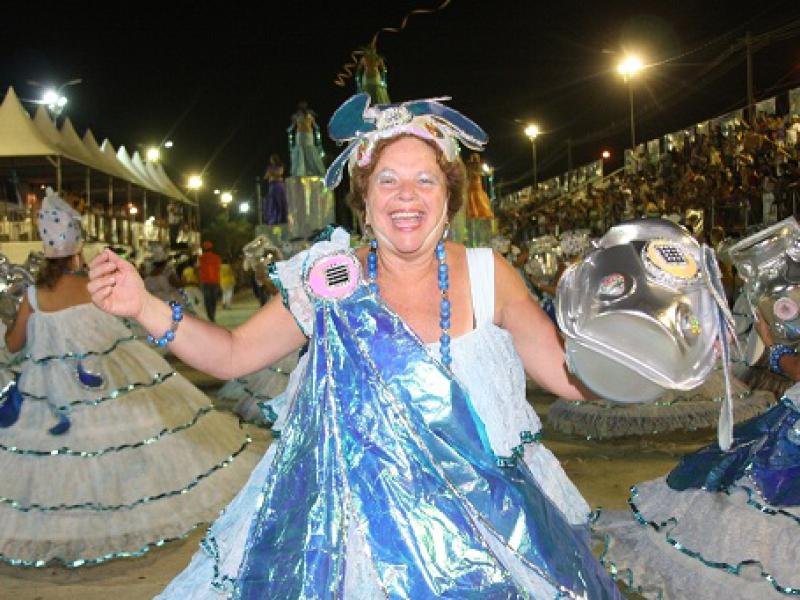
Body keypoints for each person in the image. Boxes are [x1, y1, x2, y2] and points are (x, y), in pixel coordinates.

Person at [89, 94, 621, 598]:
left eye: (425, 180)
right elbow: (232, 354)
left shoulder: (489, 275)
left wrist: (639, 355)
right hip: (353, 547)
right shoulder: (329, 280)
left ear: (448, 198)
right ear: (364, 202)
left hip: (491, 539)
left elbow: (567, 375)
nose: (406, 195)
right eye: (388, 180)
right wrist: (143, 306)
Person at [0, 188, 258, 568]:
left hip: (49, 398)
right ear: (77, 250)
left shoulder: (34, 296)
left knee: (58, 464)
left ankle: (67, 529)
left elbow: (13, 344)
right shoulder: (93, 287)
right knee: (120, 453)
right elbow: (116, 332)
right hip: (102, 387)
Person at [287, 100, 326, 177]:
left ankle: (312, 170)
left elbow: (314, 124)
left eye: (304, 104)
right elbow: (293, 124)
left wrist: (317, 128)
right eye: (302, 105)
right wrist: (289, 129)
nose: (303, 106)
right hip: (300, 135)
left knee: (310, 150)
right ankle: (300, 172)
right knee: (300, 151)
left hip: (309, 134)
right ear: (299, 106)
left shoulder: (310, 114)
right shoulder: (296, 115)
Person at [466, 152, 495, 219]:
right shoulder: (477, 166)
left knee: (474, 196)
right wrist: (490, 171)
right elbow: (485, 173)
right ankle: (477, 213)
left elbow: (471, 174)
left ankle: (475, 213)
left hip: (473, 183)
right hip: (475, 183)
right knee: (477, 196)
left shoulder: (470, 166)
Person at [198, 240, 221, 322]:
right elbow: (218, 268)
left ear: (204, 248)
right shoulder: (217, 257)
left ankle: (210, 316)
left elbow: (198, 269)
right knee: (213, 299)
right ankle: (212, 315)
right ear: (212, 248)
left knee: (207, 300)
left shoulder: (201, 258)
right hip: (215, 281)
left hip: (205, 282)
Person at [262, 154, 288, 224]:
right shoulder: (270, 167)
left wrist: (271, 172)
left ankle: (281, 218)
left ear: (274, 159)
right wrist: (268, 174)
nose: (270, 161)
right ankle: (273, 219)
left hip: (278, 185)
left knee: (279, 201)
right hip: (272, 185)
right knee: (272, 202)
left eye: (271, 159)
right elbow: (266, 176)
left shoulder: (280, 166)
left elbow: (280, 173)